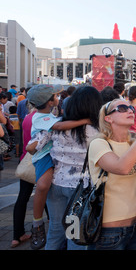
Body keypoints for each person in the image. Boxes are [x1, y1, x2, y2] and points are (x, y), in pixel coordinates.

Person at [26, 86, 103, 250]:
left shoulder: (55, 126)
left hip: (56, 185)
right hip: (81, 189)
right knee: (74, 234)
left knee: (55, 229)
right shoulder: (98, 132)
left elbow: (33, 146)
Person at [88, 99, 136, 250]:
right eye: (122, 108)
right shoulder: (99, 143)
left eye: (130, 108)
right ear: (108, 118)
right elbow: (122, 167)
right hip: (109, 229)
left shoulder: (132, 143)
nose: (130, 110)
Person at [11, 105, 36, 248]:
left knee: (23, 197)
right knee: (46, 196)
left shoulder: (27, 118)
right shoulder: (44, 119)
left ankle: (16, 235)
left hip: (26, 160)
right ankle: (52, 226)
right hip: (39, 162)